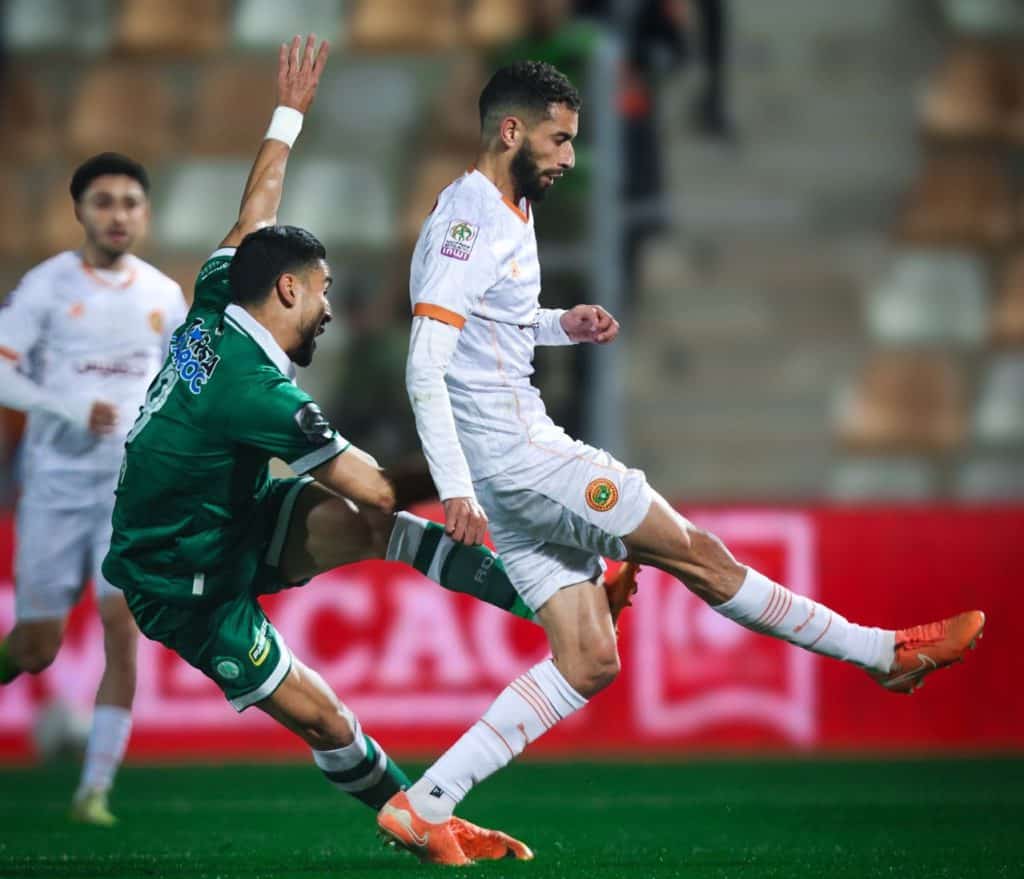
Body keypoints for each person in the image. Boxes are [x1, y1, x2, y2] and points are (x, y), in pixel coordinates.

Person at [379, 59, 987, 863]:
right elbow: (425, 363)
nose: (569, 158)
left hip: (510, 473)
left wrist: (562, 325)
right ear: (511, 130)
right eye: (558, 140)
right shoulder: (469, 220)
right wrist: (455, 488)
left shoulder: (506, 206)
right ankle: (883, 654)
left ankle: (426, 803)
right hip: (525, 459)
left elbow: (489, 325)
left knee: (588, 658)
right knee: (698, 554)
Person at [100, 35, 565, 863]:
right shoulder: (256, 391)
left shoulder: (219, 293)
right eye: (321, 291)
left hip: (232, 509)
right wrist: (471, 464)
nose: (328, 308)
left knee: (376, 530)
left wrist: (289, 113)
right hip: (180, 577)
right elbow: (379, 485)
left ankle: (547, 601)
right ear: (287, 289)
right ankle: (420, 822)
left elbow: (254, 212)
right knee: (327, 716)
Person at [0, 152, 187, 824]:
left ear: (146, 213)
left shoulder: (163, 296)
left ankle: (94, 791)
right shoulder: (46, 286)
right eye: (103, 201)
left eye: (130, 202)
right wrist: (66, 407)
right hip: (54, 485)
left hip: (126, 493)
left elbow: (185, 385)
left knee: (122, 624)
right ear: (79, 210)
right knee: (36, 647)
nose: (118, 215)